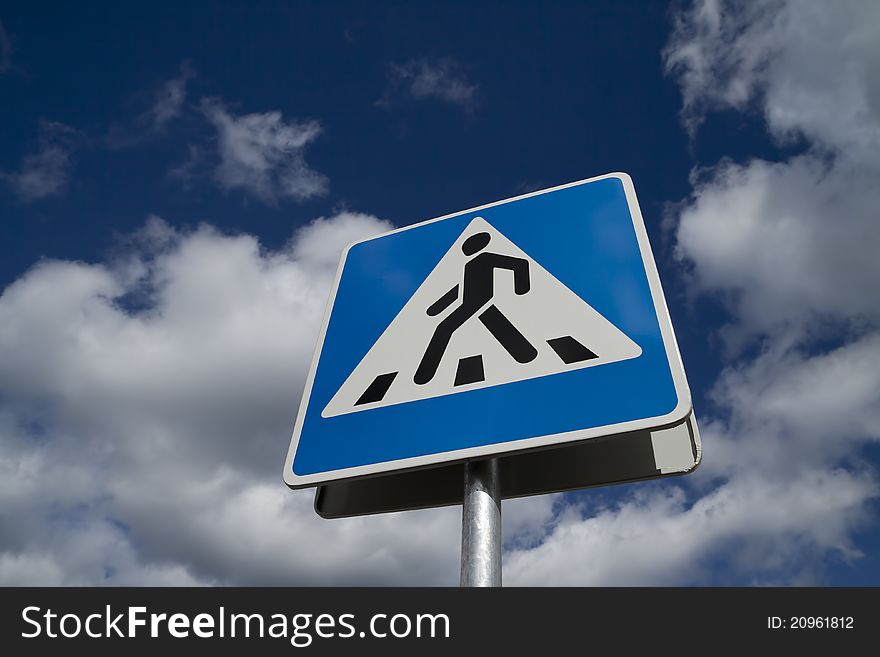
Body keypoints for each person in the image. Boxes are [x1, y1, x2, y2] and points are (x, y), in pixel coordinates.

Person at [414, 230, 538, 385]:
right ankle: (527, 355)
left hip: (478, 301)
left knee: (443, 329)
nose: (466, 249)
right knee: (497, 324)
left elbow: (519, 264)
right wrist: (436, 308)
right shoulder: (469, 265)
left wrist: (521, 287)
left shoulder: (486, 257)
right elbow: (460, 289)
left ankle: (423, 376)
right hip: (473, 302)